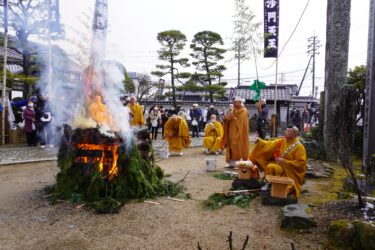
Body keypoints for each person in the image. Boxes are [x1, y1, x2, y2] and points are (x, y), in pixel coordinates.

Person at [248, 126, 307, 198]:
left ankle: (279, 186)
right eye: (286, 130)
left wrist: (284, 161)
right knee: (270, 166)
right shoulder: (282, 140)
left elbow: (301, 164)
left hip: (289, 171)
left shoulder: (299, 147)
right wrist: (259, 141)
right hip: (280, 165)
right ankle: (269, 183)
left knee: (273, 167)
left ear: (294, 134)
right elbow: (269, 144)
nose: (285, 132)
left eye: (288, 131)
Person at [221, 97, 249, 168]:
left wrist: (232, 117)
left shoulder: (244, 111)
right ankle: (231, 163)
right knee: (230, 146)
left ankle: (238, 163)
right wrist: (226, 118)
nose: (233, 103)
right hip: (231, 131)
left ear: (239, 102)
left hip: (239, 132)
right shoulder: (233, 110)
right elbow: (229, 118)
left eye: (235, 102)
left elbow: (241, 122)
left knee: (237, 146)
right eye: (233, 102)